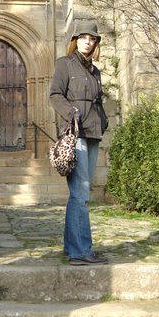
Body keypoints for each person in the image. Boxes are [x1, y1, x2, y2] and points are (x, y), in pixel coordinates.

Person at [49, 20, 108, 265]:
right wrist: (71, 113)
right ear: (75, 40)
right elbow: (55, 95)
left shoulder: (95, 71)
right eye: (83, 37)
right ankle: (80, 251)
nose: (87, 41)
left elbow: (98, 102)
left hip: (93, 133)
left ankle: (71, 246)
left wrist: (103, 121)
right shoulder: (65, 64)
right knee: (80, 193)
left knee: (81, 192)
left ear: (95, 43)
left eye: (92, 38)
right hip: (76, 133)